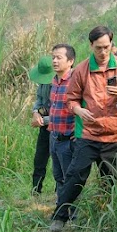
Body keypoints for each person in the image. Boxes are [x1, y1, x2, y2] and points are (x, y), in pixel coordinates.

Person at [49, 26, 117, 232]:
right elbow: (71, 99)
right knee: (75, 176)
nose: (103, 52)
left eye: (107, 47)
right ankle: (59, 217)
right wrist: (79, 110)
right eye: (99, 47)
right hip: (88, 134)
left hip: (114, 134)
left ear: (111, 45)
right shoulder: (81, 70)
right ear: (91, 46)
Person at [46, 44, 77, 199]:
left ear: (70, 61)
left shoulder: (75, 81)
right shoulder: (54, 81)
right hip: (54, 137)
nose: (55, 61)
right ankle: (61, 208)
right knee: (58, 177)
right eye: (53, 57)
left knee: (70, 178)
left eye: (59, 57)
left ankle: (72, 214)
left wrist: (78, 133)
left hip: (68, 140)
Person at [28, 56, 55, 194]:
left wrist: (41, 120)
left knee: (59, 162)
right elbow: (39, 99)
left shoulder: (65, 84)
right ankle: (35, 190)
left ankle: (60, 193)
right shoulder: (43, 84)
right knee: (40, 158)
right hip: (44, 125)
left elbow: (64, 113)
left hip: (60, 128)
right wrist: (35, 113)